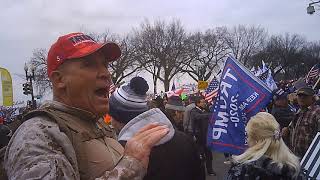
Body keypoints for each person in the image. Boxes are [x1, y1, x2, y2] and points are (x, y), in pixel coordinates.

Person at [4, 32, 169, 180]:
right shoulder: (37, 134)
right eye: (89, 64)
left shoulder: (97, 123)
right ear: (59, 80)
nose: (106, 73)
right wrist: (130, 166)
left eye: (105, 64)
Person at [108, 76, 205, 180]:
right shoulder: (184, 139)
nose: (110, 121)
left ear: (117, 118)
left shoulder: (121, 152)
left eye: (110, 115)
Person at [225, 112, 305, 180]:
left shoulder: (244, 170)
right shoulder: (293, 168)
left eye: (248, 136)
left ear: (256, 140)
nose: (247, 140)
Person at [282, 87, 320, 158]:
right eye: (299, 95)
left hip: (310, 158)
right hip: (296, 157)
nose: (301, 98)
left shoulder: (317, 112)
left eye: (305, 96)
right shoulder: (298, 112)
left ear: (312, 98)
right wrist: (287, 132)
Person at [190, 96, 216, 176]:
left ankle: (210, 170)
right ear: (197, 103)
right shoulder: (194, 111)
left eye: (204, 102)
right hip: (199, 138)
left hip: (206, 137)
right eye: (202, 102)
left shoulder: (206, 110)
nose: (204, 103)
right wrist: (209, 115)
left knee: (209, 155)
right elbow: (198, 117)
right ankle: (199, 172)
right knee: (200, 156)